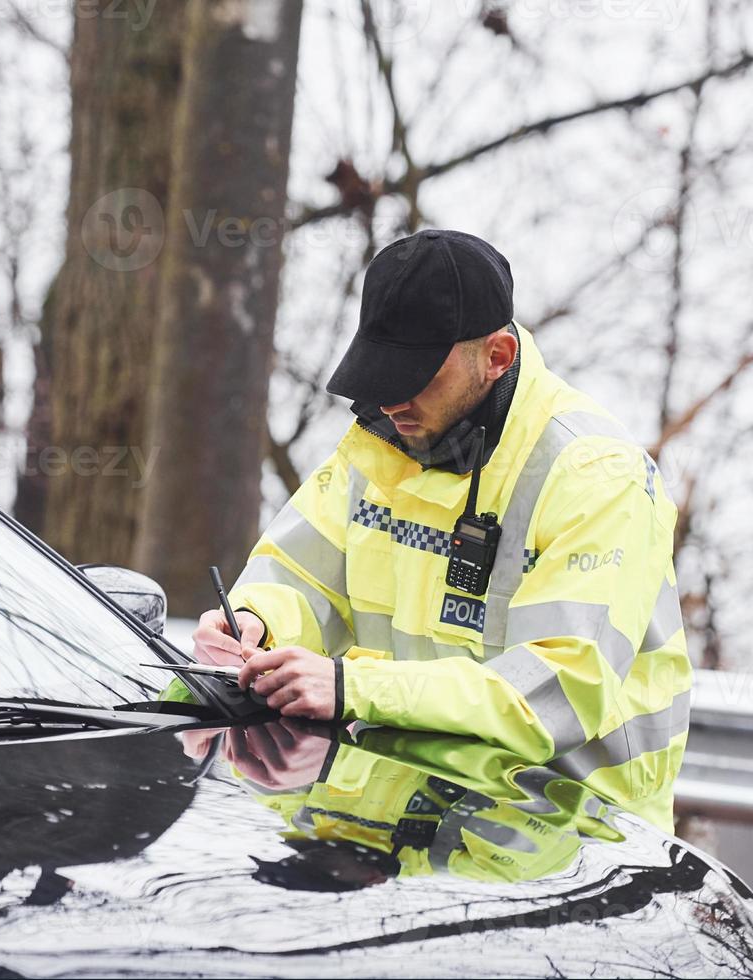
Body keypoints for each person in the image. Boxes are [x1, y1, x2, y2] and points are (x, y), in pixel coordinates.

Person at [190, 230, 690, 829]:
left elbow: (554, 693)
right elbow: (299, 575)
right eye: (380, 370)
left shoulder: (598, 476)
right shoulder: (381, 444)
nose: (392, 399)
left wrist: (354, 686)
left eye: (415, 374)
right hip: (409, 817)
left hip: (576, 838)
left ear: (497, 357)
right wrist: (255, 623)